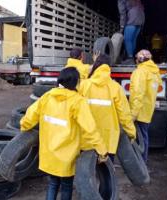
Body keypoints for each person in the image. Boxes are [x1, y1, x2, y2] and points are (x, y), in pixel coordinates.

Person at [20, 67, 107, 200]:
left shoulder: (47, 97)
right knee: (66, 186)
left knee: (53, 183)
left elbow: (30, 116)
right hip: (67, 156)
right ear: (75, 82)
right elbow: (90, 129)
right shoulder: (78, 101)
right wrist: (102, 150)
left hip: (49, 153)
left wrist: (24, 126)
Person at [79, 54, 136, 162]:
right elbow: (124, 114)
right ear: (109, 67)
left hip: (86, 137)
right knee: (107, 173)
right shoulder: (116, 88)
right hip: (108, 138)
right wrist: (131, 132)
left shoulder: (84, 85)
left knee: (86, 173)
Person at [129, 50, 162, 162]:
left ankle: (140, 164)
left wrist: (133, 114)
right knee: (144, 137)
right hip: (147, 109)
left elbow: (138, 94)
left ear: (140, 59)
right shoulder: (154, 71)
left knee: (139, 138)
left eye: (136, 57)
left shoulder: (140, 72)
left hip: (139, 111)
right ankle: (143, 161)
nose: (135, 59)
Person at [118, 0, 145, 64]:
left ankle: (130, 58)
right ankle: (131, 58)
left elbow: (122, 13)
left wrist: (122, 26)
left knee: (127, 39)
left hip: (133, 18)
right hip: (141, 17)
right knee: (133, 40)